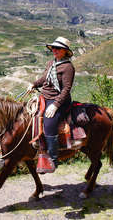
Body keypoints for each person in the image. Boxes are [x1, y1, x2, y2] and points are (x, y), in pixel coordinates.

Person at [27, 36, 75, 173]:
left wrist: (55, 105)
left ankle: (53, 159)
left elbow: (66, 89)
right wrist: (34, 84)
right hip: (45, 97)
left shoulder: (68, 67)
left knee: (49, 124)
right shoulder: (51, 63)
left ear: (65, 51)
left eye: (58, 48)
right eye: (53, 48)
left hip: (59, 101)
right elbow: (44, 78)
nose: (54, 50)